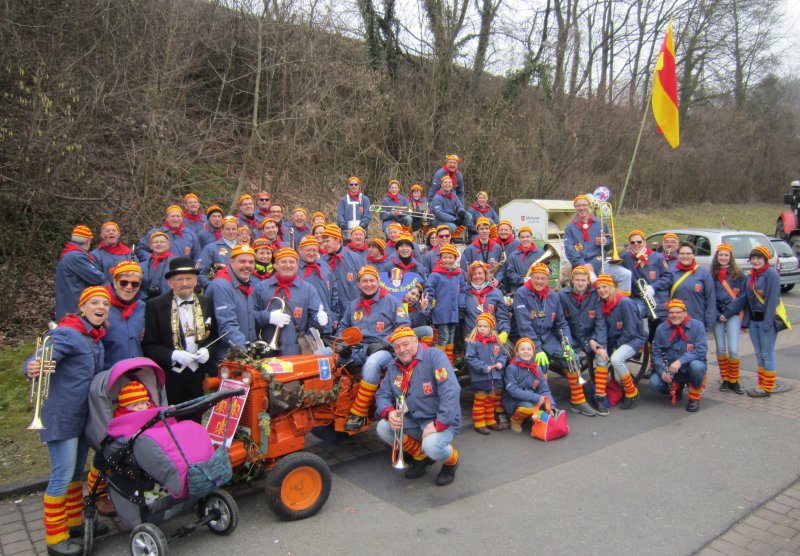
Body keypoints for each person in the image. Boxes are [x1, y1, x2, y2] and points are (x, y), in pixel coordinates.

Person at [24, 286, 110, 555]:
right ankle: (55, 538)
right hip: (62, 415)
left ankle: (74, 524)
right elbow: (40, 357)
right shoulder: (68, 332)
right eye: (94, 303)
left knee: (75, 473)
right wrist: (31, 365)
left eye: (105, 304)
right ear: (82, 307)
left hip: (82, 414)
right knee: (61, 475)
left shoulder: (94, 338)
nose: (101, 308)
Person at [374, 326, 462, 486]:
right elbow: (382, 394)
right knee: (383, 427)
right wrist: (389, 412)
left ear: (416, 341)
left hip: (441, 421)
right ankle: (421, 457)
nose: (401, 350)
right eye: (397, 347)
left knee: (432, 446)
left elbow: (451, 390)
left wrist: (439, 423)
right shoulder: (394, 366)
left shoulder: (435, 356)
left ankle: (451, 462)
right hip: (413, 420)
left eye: (405, 344)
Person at [513, 262, 596, 416]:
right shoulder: (522, 293)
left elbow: (561, 322)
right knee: (539, 365)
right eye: (536, 278)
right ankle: (544, 404)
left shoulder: (553, 295)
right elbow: (524, 326)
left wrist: (568, 344)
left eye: (543, 278)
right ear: (531, 277)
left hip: (548, 338)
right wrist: (536, 349)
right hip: (528, 341)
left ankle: (578, 401)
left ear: (548, 280)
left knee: (573, 358)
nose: (539, 281)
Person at [338, 265, 410, 430]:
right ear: (359, 284)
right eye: (365, 281)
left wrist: (385, 342)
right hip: (357, 347)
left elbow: (404, 326)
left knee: (372, 363)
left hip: (384, 350)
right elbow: (342, 327)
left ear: (378, 282)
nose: (368, 284)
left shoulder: (391, 301)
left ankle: (359, 413)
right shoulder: (353, 305)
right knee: (325, 355)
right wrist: (343, 343)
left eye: (372, 280)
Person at [142, 257, 216, 407]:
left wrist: (207, 350)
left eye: (189, 278)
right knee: (172, 417)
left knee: (195, 415)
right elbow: (148, 346)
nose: (185, 283)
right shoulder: (155, 306)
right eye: (179, 279)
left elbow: (213, 335)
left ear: (196, 281)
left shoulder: (205, 302)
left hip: (197, 372)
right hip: (170, 375)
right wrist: (173, 355)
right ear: (170, 283)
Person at [253, 247, 327, 355]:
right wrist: (268, 317)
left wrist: (320, 319)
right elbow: (250, 316)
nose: (288, 265)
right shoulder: (261, 287)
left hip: (296, 351)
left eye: (292, 262)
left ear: (297, 266)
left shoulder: (308, 289)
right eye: (283, 262)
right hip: (267, 350)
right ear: (275, 265)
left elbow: (314, 317)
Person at [558, 265, 609, 415]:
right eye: (577, 280)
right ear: (572, 281)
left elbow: (600, 322)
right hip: (572, 337)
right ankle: (577, 399)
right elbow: (560, 322)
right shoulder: (563, 295)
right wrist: (567, 342)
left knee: (602, 358)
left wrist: (597, 342)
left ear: (588, 281)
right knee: (571, 360)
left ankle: (600, 396)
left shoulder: (595, 295)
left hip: (590, 336)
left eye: (583, 280)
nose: (580, 283)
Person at [594, 274, 646, 410]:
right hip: (614, 340)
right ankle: (602, 395)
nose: (601, 290)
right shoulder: (602, 303)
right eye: (598, 288)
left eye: (604, 287)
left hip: (632, 339)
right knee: (605, 360)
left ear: (612, 287)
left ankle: (631, 392)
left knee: (616, 359)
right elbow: (602, 328)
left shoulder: (625, 302)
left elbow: (630, 330)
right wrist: (602, 346)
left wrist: (615, 348)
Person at [563, 194, 631, 293]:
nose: (581, 208)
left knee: (626, 275)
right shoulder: (570, 227)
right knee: (594, 282)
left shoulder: (600, 223)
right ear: (575, 208)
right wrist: (583, 264)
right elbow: (569, 250)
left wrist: (606, 242)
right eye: (578, 206)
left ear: (589, 206)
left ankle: (621, 304)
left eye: (584, 205)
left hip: (600, 263)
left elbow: (611, 244)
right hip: (581, 265)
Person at [649, 299, 708, 412]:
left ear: (685, 313)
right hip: (671, 369)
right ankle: (677, 386)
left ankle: (694, 398)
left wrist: (680, 361)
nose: (674, 315)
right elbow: (656, 353)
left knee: (697, 367)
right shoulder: (661, 328)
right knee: (654, 383)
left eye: (678, 312)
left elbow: (701, 350)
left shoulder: (698, 326)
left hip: (689, 366)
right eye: (671, 312)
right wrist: (662, 372)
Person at [205, 244, 259, 360]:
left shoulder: (246, 282)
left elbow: (247, 315)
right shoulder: (222, 285)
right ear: (231, 261)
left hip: (242, 353)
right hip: (227, 355)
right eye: (242, 261)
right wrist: (247, 351)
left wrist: (268, 317)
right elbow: (227, 326)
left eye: (251, 262)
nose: (247, 265)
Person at [743, 245, 782, 398]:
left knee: (767, 354)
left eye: (759, 258)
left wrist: (767, 323)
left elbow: (773, 300)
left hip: (766, 321)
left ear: (765, 259)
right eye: (753, 258)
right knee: (759, 354)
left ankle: (767, 388)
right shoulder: (751, 275)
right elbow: (747, 301)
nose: (756, 261)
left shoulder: (771, 274)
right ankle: (761, 384)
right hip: (754, 321)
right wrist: (746, 322)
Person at [656, 242, 716, 331]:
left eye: (688, 253)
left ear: (693, 255)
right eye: (682, 253)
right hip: (675, 320)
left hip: (697, 320)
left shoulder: (704, 273)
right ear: (678, 255)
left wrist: (710, 322)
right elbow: (663, 294)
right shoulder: (670, 272)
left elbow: (710, 298)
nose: (685, 256)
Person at [711, 244, 747, 394]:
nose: (723, 258)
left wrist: (728, 313)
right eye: (721, 255)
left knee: (733, 350)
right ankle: (725, 379)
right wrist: (717, 313)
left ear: (730, 257)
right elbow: (709, 296)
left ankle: (734, 379)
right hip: (717, 314)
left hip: (732, 314)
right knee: (720, 348)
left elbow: (743, 297)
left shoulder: (739, 275)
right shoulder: (711, 274)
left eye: (726, 255)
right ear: (717, 257)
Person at [465, 313, 509, 434]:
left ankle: (490, 421)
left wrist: (501, 362)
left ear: (491, 328)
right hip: (480, 376)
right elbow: (470, 358)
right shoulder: (473, 342)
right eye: (480, 326)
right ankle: (479, 423)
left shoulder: (496, 342)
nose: (482, 328)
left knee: (490, 398)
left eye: (485, 326)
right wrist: (484, 367)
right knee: (480, 399)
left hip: (494, 375)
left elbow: (503, 355)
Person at [503, 337, 556, 434]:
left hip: (532, 398)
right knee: (528, 407)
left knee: (546, 412)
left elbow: (544, 389)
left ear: (533, 352)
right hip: (514, 400)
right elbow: (513, 391)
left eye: (529, 349)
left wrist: (551, 406)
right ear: (517, 352)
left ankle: (530, 418)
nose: (526, 352)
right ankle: (515, 420)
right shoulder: (511, 368)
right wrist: (536, 397)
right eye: (522, 349)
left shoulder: (537, 368)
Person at [55, 225, 108, 320]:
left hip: (66, 308)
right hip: (75, 311)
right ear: (88, 241)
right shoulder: (76, 257)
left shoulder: (67, 254)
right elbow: (97, 278)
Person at [424, 243, 464, 365]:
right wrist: (429, 307)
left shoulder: (458, 274)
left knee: (451, 336)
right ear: (440, 258)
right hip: (441, 311)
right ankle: (440, 362)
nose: (447, 260)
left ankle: (449, 361)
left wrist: (461, 306)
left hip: (453, 311)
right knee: (444, 336)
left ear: (455, 259)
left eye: (450, 257)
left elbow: (462, 290)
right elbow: (429, 291)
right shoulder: (435, 274)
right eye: (445, 257)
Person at [102, 261, 146, 369]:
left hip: (137, 372)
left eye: (135, 284)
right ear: (115, 282)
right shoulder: (101, 306)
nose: (129, 287)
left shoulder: (143, 308)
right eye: (124, 282)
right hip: (109, 372)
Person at [298, 235, 338, 335]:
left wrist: (334, 317)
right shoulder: (294, 269)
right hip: (305, 330)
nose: (312, 253)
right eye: (308, 250)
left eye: (314, 250)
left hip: (327, 326)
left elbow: (334, 293)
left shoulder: (324, 266)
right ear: (300, 250)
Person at [463, 261, 510, 344]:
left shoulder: (496, 293)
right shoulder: (464, 292)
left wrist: (504, 331)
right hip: (472, 339)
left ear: (485, 274)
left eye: (480, 273)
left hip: (493, 338)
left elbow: (502, 316)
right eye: (474, 274)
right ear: (470, 276)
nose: (477, 276)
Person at [321, 224, 361, 319]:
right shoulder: (322, 262)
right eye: (323, 242)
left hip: (352, 311)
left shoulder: (354, 259)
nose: (325, 244)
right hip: (331, 314)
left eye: (327, 241)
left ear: (337, 240)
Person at [136, 205, 201, 262]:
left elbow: (197, 256)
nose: (175, 219)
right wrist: (152, 259)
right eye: (172, 216)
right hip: (161, 271)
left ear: (182, 218)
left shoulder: (190, 235)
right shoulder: (155, 233)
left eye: (178, 216)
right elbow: (140, 249)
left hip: (183, 272)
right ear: (167, 218)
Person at [461, 217, 505, 287]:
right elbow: (465, 269)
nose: (484, 231)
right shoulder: (470, 249)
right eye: (481, 229)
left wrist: (498, 279)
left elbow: (502, 268)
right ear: (477, 230)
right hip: (476, 284)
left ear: (490, 230)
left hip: (493, 284)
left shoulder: (497, 248)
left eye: (487, 228)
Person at [197, 216, 239, 288]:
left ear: (238, 230)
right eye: (227, 229)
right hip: (219, 289)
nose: (231, 232)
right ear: (222, 230)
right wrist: (211, 286)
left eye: (234, 229)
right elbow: (199, 271)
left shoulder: (244, 248)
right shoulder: (210, 248)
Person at [505, 225, 544, 293]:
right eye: (522, 237)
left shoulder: (540, 253)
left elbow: (548, 270)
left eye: (527, 237)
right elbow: (510, 274)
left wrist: (537, 278)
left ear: (531, 237)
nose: (525, 239)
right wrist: (523, 280)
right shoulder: (513, 255)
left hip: (537, 290)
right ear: (519, 239)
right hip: (518, 290)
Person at [430, 174, 471, 238]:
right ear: (441, 185)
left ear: (452, 185)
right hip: (440, 221)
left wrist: (461, 211)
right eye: (445, 182)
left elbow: (460, 205)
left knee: (468, 216)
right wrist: (454, 219)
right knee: (452, 227)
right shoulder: (437, 197)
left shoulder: (453, 195)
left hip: (453, 217)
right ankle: (448, 236)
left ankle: (455, 236)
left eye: (449, 182)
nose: (447, 184)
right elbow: (439, 214)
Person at [141, 231, 173, 300]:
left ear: (168, 245)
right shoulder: (142, 265)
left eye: (162, 242)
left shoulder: (175, 263)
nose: (159, 244)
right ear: (150, 246)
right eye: (155, 242)